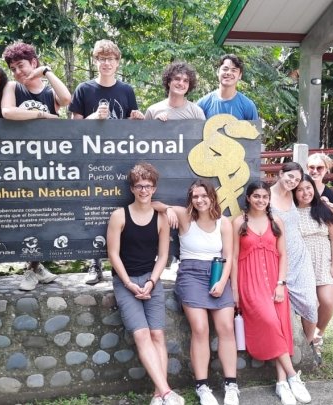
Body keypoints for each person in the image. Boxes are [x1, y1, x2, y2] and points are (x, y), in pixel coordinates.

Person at [106, 163, 184, 405]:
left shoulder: (161, 218)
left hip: (151, 280)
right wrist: (129, 284)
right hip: (125, 282)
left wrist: (151, 281)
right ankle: (167, 392)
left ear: (154, 188)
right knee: (141, 335)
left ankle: (158, 394)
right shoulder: (119, 216)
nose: (143, 190)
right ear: (132, 188)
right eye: (139, 186)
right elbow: (113, 254)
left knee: (157, 334)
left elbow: (163, 256)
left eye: (148, 186)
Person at [69, 39, 145, 285]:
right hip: (91, 160)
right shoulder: (84, 89)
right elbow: (73, 129)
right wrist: (92, 117)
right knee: (91, 211)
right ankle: (93, 263)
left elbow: (132, 126)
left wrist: (137, 118)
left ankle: (123, 264)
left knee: (120, 209)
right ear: (95, 61)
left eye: (111, 59)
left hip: (120, 159)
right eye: (102, 59)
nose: (106, 63)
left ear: (117, 62)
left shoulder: (126, 90)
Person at [160, 180, 240, 405]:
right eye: (195, 196)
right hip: (191, 274)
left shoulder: (223, 222)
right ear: (190, 199)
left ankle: (231, 384)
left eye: (204, 195)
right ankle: (202, 386)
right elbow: (154, 203)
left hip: (217, 274)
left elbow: (229, 256)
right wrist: (167, 209)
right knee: (200, 328)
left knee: (226, 327)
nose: (200, 200)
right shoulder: (185, 216)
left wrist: (223, 282)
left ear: (212, 197)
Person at [232, 181, 312, 405]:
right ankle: (294, 376)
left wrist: (280, 284)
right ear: (248, 198)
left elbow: (283, 255)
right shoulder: (239, 223)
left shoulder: (275, 221)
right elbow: (234, 260)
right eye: (256, 196)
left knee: (281, 327)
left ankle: (281, 383)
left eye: (264, 197)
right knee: (269, 322)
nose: (260, 200)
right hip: (250, 283)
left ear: (269, 199)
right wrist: (235, 290)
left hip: (275, 284)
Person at [1, 41, 67, 290]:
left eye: (22, 66)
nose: (18, 72)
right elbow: (8, 112)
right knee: (27, 215)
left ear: (34, 63)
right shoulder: (13, 87)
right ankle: (30, 269)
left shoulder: (48, 93)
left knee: (45, 217)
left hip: (49, 163)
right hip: (20, 163)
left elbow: (67, 98)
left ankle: (37, 266)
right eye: (13, 68)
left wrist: (47, 72)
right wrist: (42, 115)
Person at [269, 162, 321, 364]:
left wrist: (326, 201)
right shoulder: (266, 196)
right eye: (289, 177)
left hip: (300, 255)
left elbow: (313, 197)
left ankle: (308, 348)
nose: (293, 182)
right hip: (277, 257)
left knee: (310, 303)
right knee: (282, 309)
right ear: (280, 173)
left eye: (297, 180)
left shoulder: (293, 194)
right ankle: (287, 352)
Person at [293, 174, 333, 360]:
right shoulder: (291, 212)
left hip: (324, 261)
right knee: (310, 305)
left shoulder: (325, 208)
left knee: (327, 302)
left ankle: (318, 335)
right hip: (302, 263)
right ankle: (309, 344)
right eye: (299, 189)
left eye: (308, 188)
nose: (305, 193)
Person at [197, 54, 258, 120]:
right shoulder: (202, 104)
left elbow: (254, 130)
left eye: (233, 70)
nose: (228, 73)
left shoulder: (248, 106)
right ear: (218, 72)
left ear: (240, 75)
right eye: (225, 69)